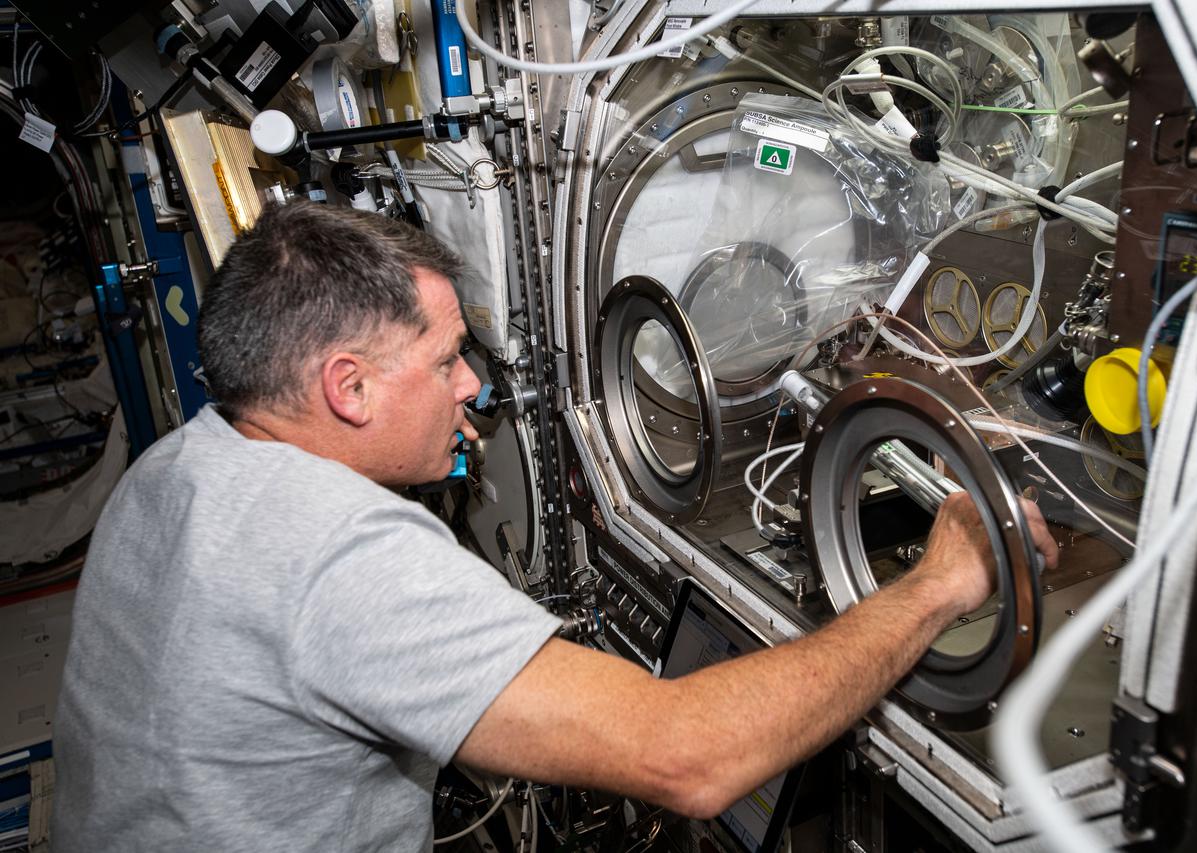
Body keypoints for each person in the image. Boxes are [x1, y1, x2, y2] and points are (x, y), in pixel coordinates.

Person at [52, 202, 1058, 852]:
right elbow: (690, 758)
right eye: (446, 359)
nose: (471, 387)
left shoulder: (174, 469)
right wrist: (935, 586)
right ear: (347, 387)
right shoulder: (338, 553)